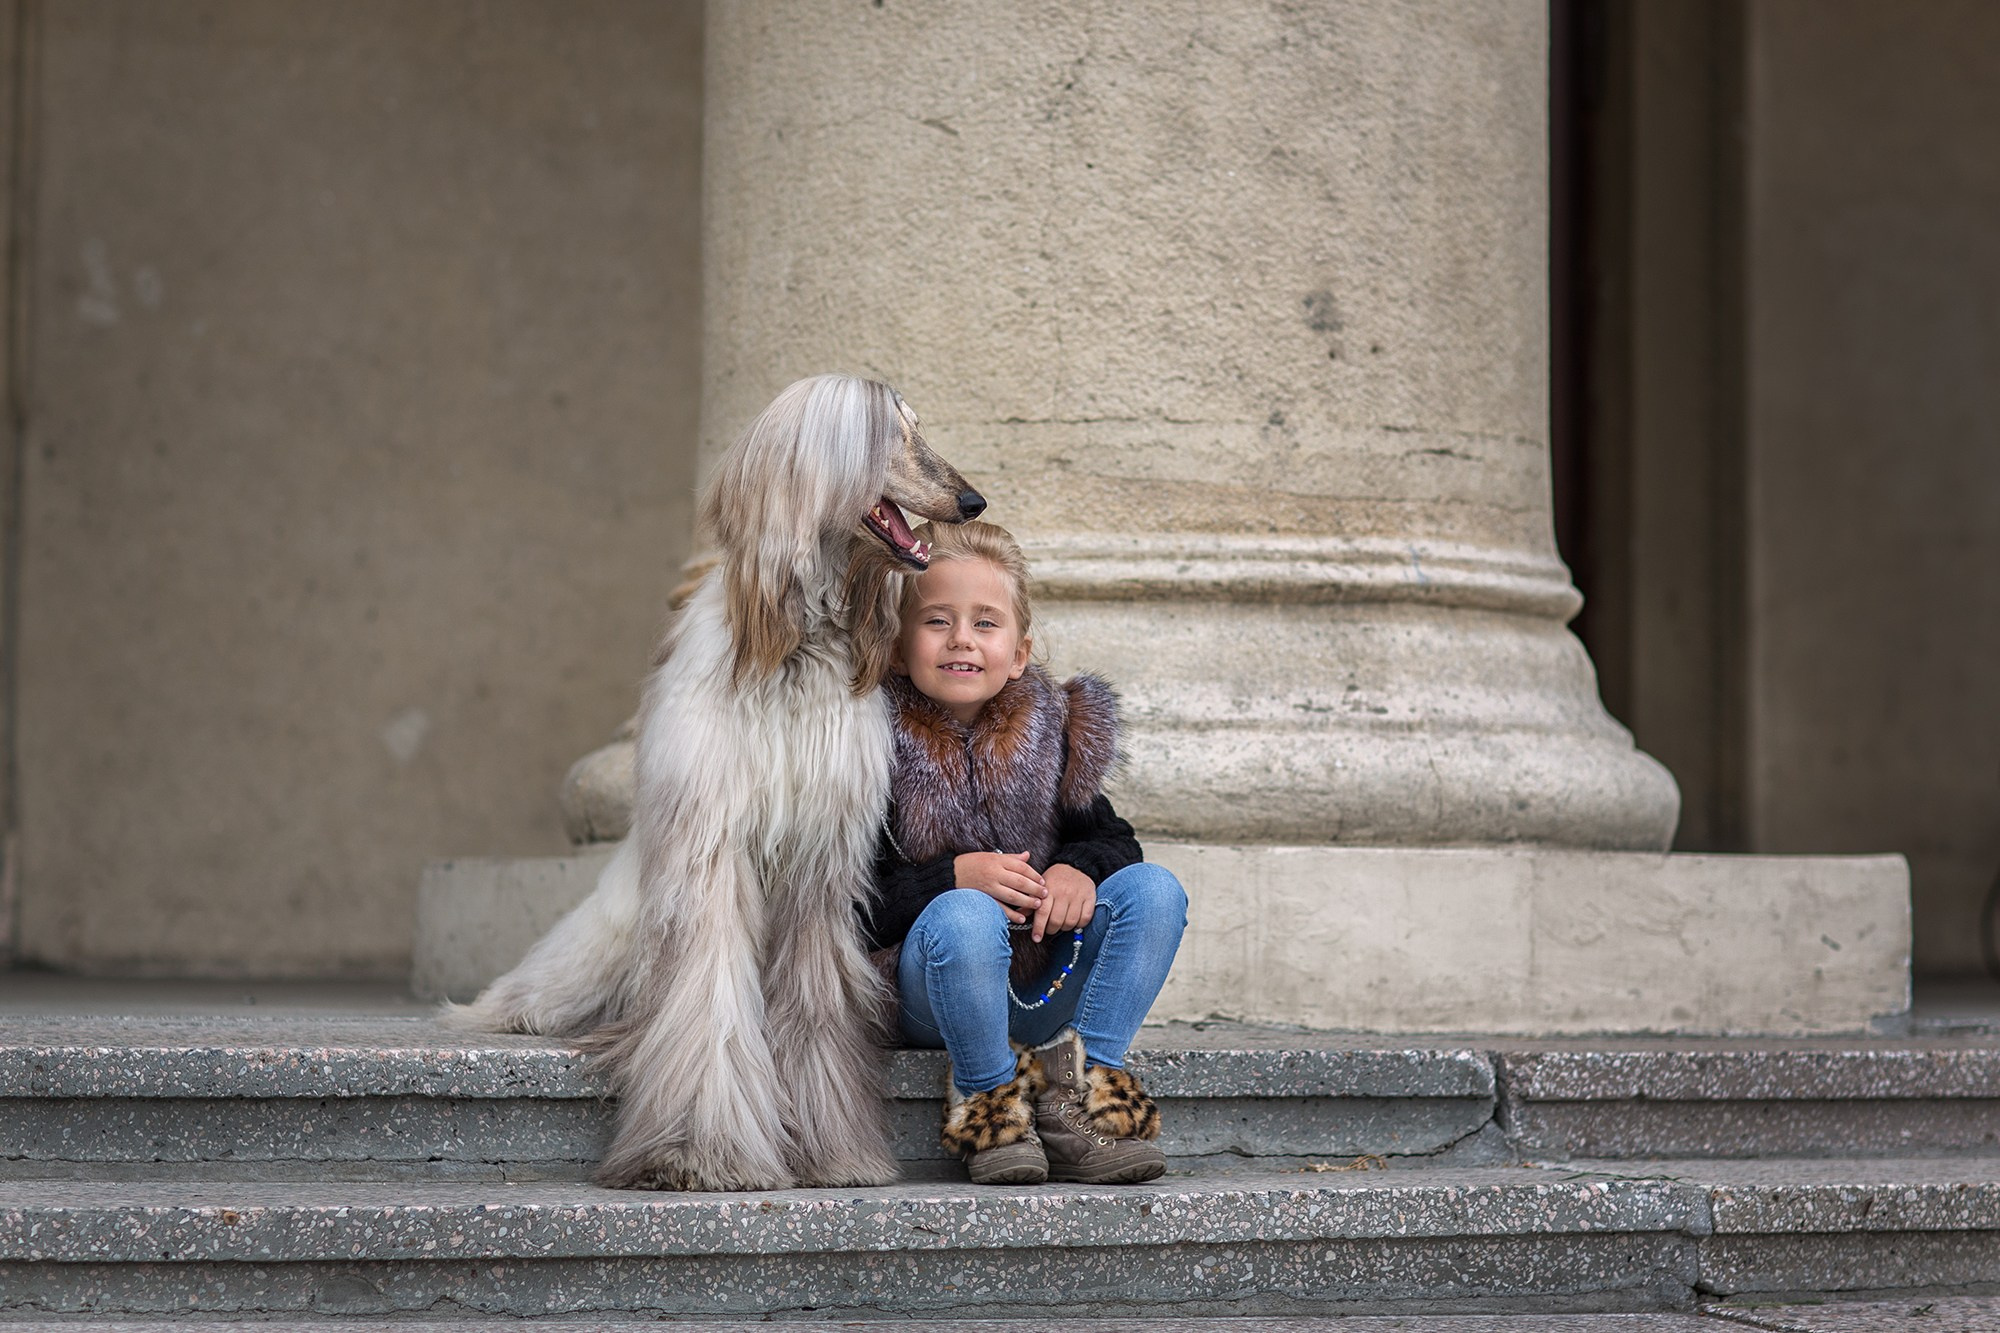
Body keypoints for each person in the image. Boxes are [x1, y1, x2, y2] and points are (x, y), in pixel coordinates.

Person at [862, 519, 1189, 1185]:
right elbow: (848, 905)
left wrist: (1079, 868)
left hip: (1047, 985)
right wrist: (951, 877)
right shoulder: (866, 745)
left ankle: (1081, 1098)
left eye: (986, 622)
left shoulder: (1050, 731)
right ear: (897, 647)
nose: (962, 638)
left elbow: (1114, 840)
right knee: (964, 915)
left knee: (1156, 890)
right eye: (936, 621)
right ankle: (990, 1100)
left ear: (1019, 651)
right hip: (929, 989)